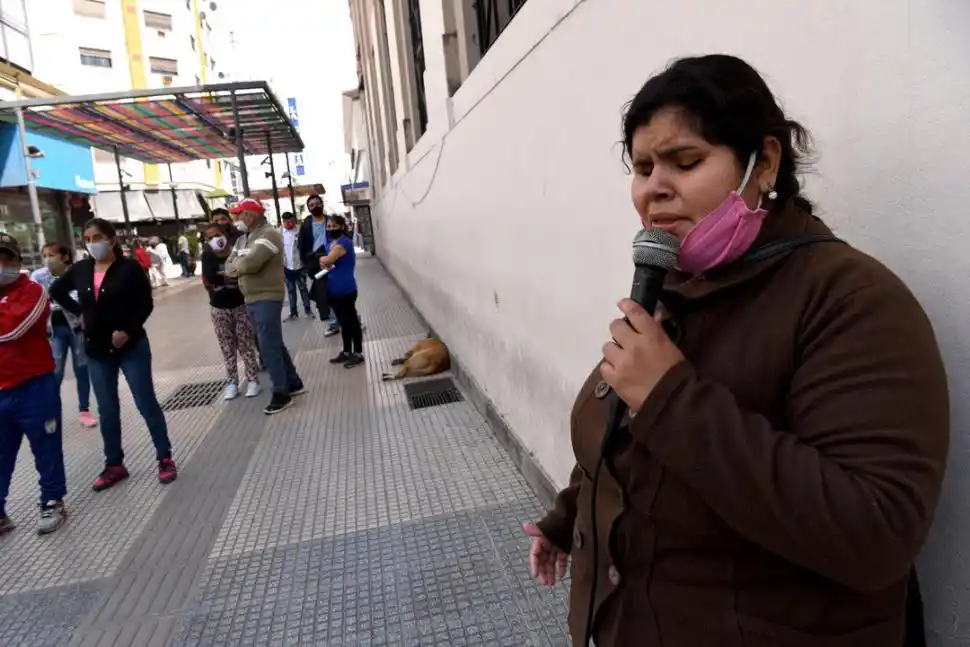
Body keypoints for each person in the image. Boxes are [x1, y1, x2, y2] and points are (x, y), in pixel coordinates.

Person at [524, 55, 949, 647]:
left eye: (685, 161)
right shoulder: (677, 289)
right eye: (642, 166)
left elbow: (876, 533)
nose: (654, 188)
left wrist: (672, 398)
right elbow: (632, 440)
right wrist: (571, 516)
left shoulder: (851, 300)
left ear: (765, 162)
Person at [50, 219, 178, 491]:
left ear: (111, 240)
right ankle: (114, 464)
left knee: (145, 402)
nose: (92, 243)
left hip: (131, 347)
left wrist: (127, 330)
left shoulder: (129, 268)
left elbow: (145, 304)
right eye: (87, 238)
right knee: (107, 409)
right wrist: (79, 313)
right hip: (97, 349)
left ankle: (164, 457)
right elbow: (56, 290)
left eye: (98, 237)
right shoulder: (81, 269)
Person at [0, 233, 68, 536]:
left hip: (34, 387)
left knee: (46, 446)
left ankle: (52, 500)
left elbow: (13, 329)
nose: (1, 264)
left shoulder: (33, 291)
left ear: (17, 260)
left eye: (6, 258)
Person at [225, 198, 305, 414]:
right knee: (272, 342)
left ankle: (281, 393)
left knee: (267, 344)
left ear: (250, 215)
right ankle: (293, 382)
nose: (236, 219)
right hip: (251, 297)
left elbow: (250, 264)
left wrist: (237, 266)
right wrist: (238, 266)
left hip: (267, 296)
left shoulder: (268, 234)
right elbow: (229, 266)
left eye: (238, 214)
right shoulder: (244, 239)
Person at [31, 244, 97, 429]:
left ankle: (84, 410)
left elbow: (80, 299)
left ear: (65, 256)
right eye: (45, 255)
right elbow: (38, 301)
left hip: (77, 328)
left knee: (82, 368)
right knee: (56, 370)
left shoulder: (76, 273)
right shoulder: (39, 276)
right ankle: (50, 412)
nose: (48, 259)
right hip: (56, 329)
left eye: (52, 255)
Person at [201, 222, 261, 400]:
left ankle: (252, 380)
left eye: (217, 235)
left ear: (224, 234)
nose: (215, 240)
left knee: (246, 344)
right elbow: (209, 278)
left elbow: (243, 273)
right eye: (209, 238)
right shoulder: (207, 256)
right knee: (227, 347)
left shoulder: (237, 252)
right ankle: (232, 383)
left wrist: (222, 279)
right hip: (219, 307)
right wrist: (228, 278)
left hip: (241, 304)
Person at [316, 215, 364, 368]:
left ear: (342, 227)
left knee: (351, 322)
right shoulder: (330, 243)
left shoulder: (344, 243)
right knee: (343, 322)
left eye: (334, 226)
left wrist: (325, 259)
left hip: (346, 289)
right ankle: (346, 351)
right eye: (329, 226)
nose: (330, 229)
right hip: (334, 289)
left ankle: (357, 353)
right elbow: (323, 262)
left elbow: (327, 260)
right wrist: (324, 260)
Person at [298, 193, 339, 334]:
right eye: (311, 205)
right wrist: (305, 264)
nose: (315, 206)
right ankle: (334, 323)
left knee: (338, 292)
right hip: (315, 263)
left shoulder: (331, 221)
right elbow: (301, 246)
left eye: (317, 203)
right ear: (308, 208)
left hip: (332, 260)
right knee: (322, 294)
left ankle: (353, 319)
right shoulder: (306, 224)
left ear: (322, 204)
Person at [280, 211, 313, 322]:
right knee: (290, 291)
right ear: (283, 222)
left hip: (299, 265)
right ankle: (293, 313)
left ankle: (308, 310)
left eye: (291, 221)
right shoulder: (279, 232)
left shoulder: (300, 230)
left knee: (303, 288)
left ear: (294, 220)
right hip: (286, 266)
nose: (289, 223)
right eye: (286, 222)